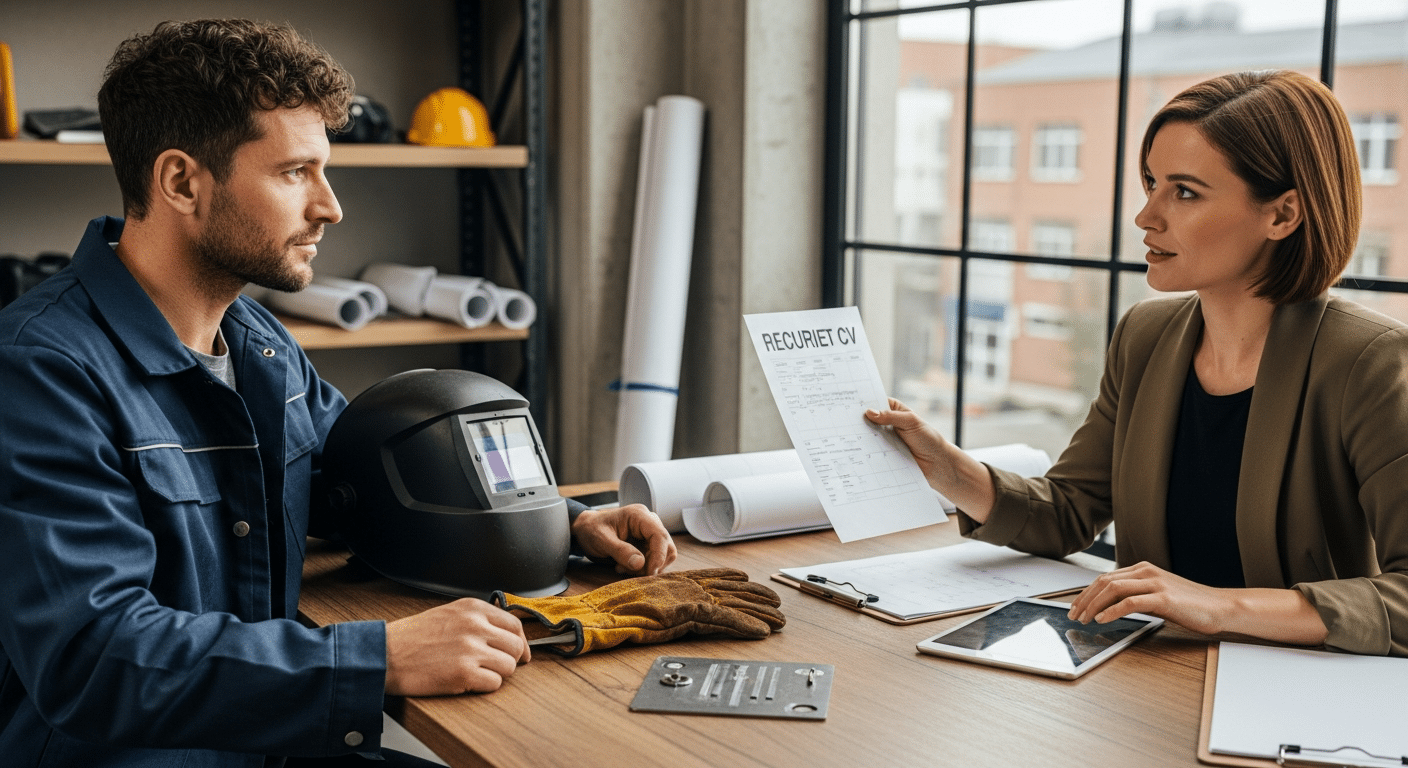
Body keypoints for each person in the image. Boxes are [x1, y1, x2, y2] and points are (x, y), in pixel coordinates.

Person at [0, 18, 676, 766]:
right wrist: (376, 658)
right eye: (295, 173)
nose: (330, 205)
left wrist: (565, 525)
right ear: (181, 182)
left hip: (272, 744)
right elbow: (94, 659)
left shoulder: (258, 344)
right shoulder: (40, 371)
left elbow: (367, 480)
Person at [866, 69, 1408, 657]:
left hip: (1292, 695)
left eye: (1185, 192)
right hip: (1148, 675)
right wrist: (947, 468)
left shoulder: (1368, 361)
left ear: (1283, 215)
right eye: (1151, 182)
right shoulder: (1145, 336)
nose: (1146, 216)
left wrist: (1216, 602)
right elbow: (1068, 511)